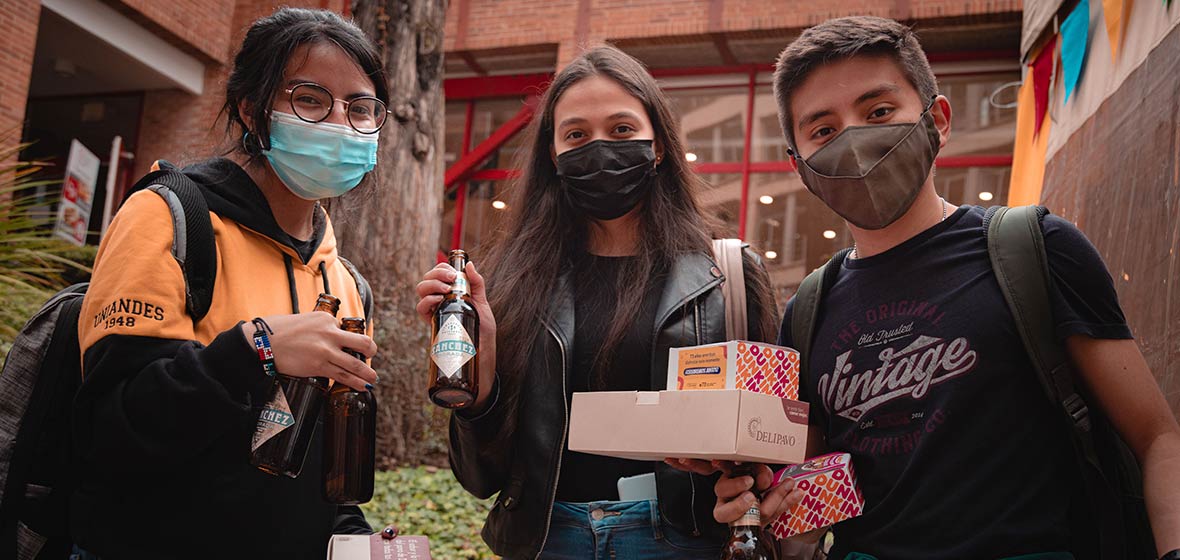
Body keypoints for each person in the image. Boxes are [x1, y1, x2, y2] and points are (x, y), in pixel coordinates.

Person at [699, 15, 1180, 560]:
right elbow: (807, 506)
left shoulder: (1036, 249)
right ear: (800, 166)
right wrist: (758, 515)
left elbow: (1158, 439)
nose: (854, 141)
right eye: (823, 130)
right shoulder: (808, 309)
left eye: (879, 111)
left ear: (938, 120)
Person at [414, 45, 778, 559]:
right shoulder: (508, 285)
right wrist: (478, 380)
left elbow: (773, 441)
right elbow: (479, 478)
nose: (600, 148)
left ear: (658, 147)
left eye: (622, 129)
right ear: (553, 156)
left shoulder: (730, 275)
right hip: (549, 539)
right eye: (577, 135)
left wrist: (745, 479)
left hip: (686, 540)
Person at [70, 8, 391, 558]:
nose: (340, 123)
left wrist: (350, 534)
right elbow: (113, 432)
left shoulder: (345, 280)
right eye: (311, 99)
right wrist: (255, 349)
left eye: (359, 107)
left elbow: (327, 467)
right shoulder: (167, 217)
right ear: (252, 109)